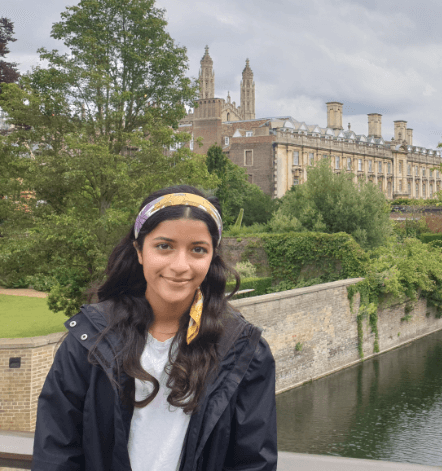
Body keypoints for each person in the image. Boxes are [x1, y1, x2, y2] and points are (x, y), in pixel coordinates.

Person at [32, 185, 277, 471]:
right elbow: (56, 452)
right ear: (139, 250)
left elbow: (253, 462)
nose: (180, 265)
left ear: (212, 258)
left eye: (198, 250)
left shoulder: (244, 350)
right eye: (164, 246)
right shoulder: (89, 340)